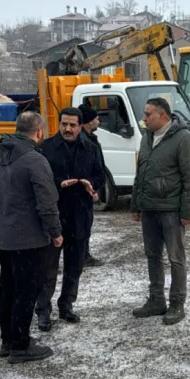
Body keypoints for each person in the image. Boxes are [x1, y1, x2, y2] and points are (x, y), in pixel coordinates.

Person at [0, 111, 63, 364]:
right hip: (29, 238)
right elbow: (46, 202)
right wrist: (55, 232)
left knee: (8, 289)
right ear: (40, 131)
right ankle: (20, 345)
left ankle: (8, 340)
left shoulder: (0, 156)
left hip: (5, 235)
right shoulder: (34, 160)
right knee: (26, 290)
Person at [130, 97, 190, 326]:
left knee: (175, 258)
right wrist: (136, 203)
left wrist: (187, 211)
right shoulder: (146, 138)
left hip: (171, 210)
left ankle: (177, 303)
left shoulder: (183, 139)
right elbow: (141, 172)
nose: (144, 118)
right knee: (152, 255)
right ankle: (156, 300)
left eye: (148, 114)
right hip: (149, 208)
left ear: (162, 115)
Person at [36, 107, 105, 331]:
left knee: (74, 266)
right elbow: (38, 180)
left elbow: (100, 175)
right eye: (64, 124)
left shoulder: (91, 148)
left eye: (72, 125)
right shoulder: (46, 148)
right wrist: (58, 184)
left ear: (80, 126)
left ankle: (66, 304)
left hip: (80, 216)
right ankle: (43, 310)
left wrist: (91, 185)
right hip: (54, 216)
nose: (67, 128)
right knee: (48, 267)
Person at [78, 103, 106, 268]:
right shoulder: (83, 141)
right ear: (88, 121)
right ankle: (82, 256)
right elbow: (85, 168)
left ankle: (84, 254)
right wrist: (90, 188)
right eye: (96, 118)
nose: (98, 121)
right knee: (82, 225)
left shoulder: (89, 138)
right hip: (84, 190)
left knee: (85, 224)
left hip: (89, 188)